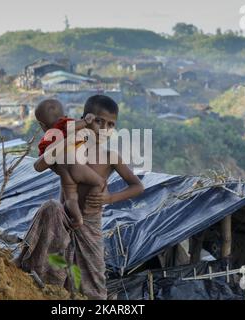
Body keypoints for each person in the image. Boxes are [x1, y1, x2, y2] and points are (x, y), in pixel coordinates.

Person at [15, 95, 144, 299]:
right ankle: (43, 284)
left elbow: (137, 186)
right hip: (65, 218)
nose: (104, 128)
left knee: (93, 287)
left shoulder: (110, 156)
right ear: (86, 119)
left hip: (90, 225)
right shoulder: (68, 148)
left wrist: (110, 198)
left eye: (111, 125)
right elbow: (39, 165)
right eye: (99, 121)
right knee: (50, 208)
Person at [34, 99, 106, 228]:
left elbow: (40, 163)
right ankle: (87, 211)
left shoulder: (46, 140)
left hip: (64, 172)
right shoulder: (67, 125)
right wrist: (85, 121)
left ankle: (76, 219)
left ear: (41, 124)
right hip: (76, 167)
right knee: (100, 182)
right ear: (64, 116)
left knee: (69, 199)